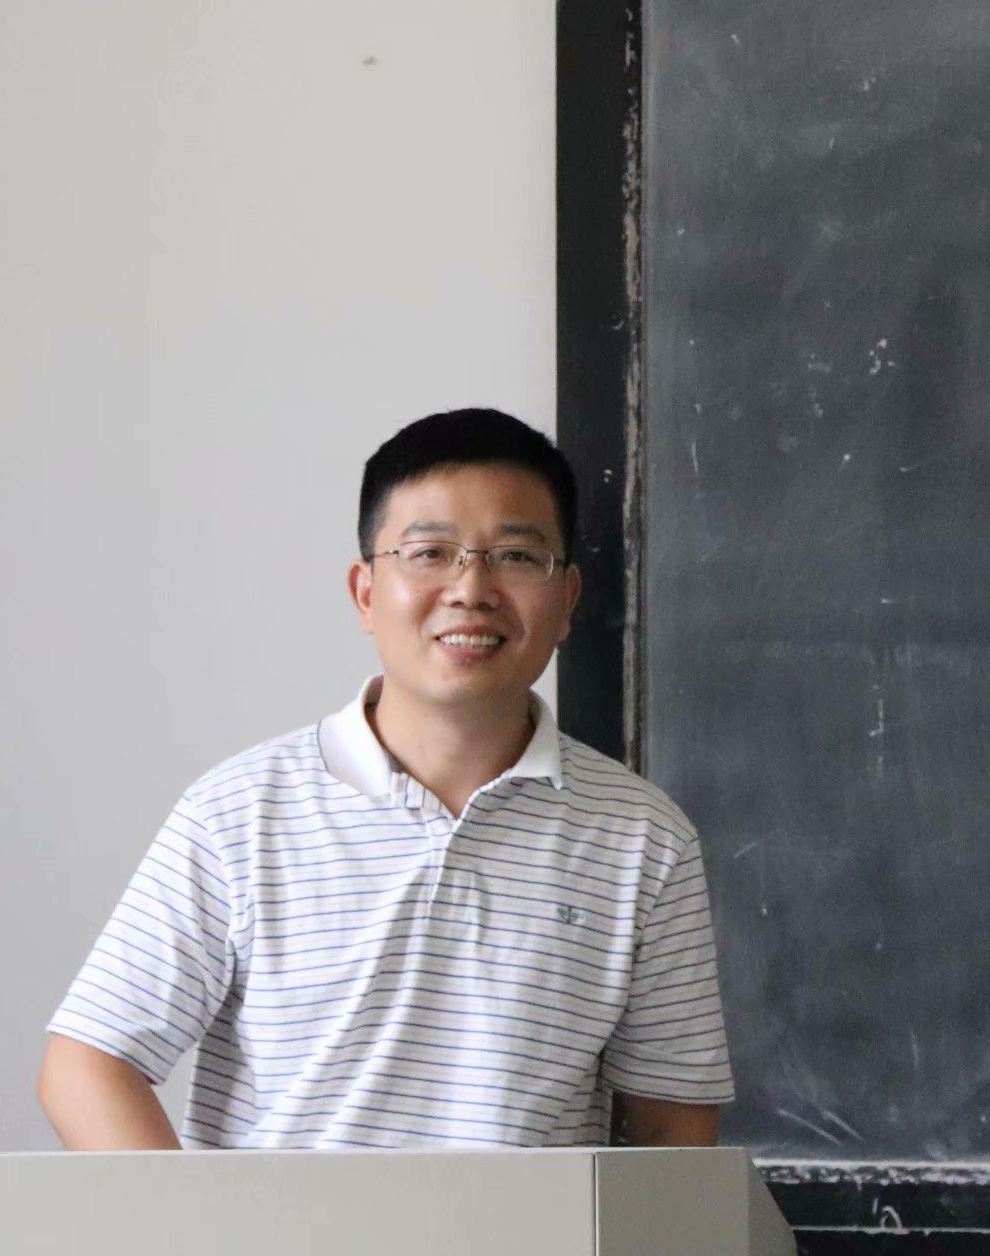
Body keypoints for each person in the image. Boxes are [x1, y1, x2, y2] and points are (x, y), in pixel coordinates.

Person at [38, 407, 733, 1149]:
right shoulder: (240, 812)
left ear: (567, 600)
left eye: (516, 556)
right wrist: (197, 1218)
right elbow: (88, 1065)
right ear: (366, 592)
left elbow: (672, 1125)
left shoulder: (644, 839)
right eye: (430, 553)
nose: (471, 589)